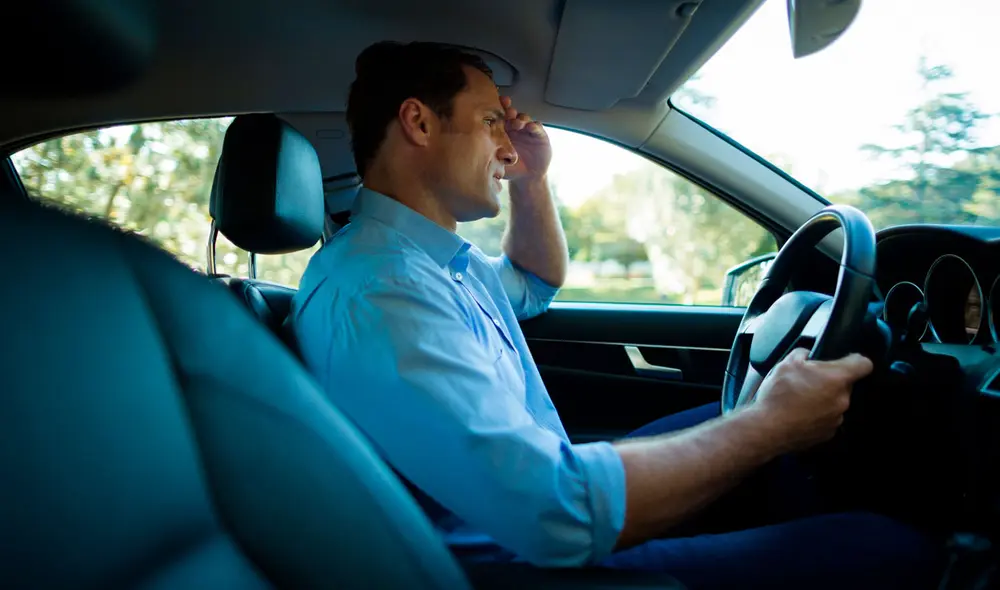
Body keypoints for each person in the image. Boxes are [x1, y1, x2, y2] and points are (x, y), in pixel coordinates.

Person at [287, 41, 940, 589]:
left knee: (750, 422)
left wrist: (533, 182)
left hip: (528, 503)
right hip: (519, 561)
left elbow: (535, 282)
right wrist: (768, 427)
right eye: (491, 123)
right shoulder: (382, 290)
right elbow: (553, 512)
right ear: (419, 124)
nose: (508, 149)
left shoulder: (423, 261)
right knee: (886, 546)